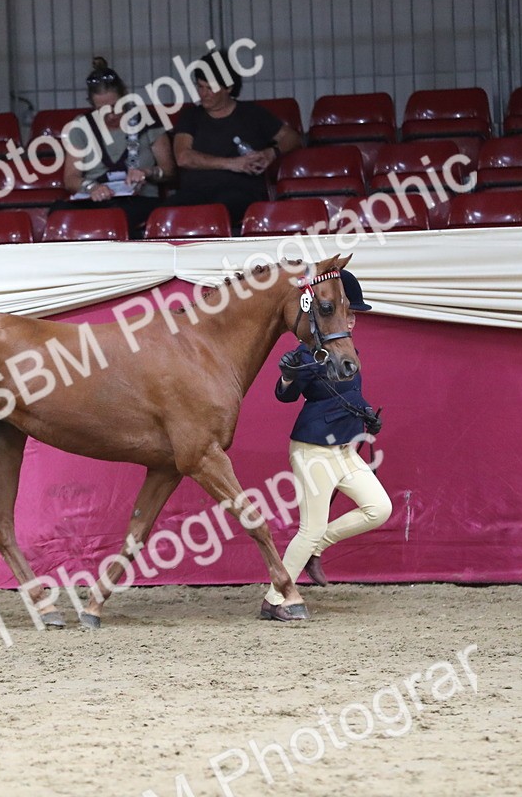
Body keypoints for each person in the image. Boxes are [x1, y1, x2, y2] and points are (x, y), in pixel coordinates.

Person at [260, 269, 392, 622]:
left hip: (345, 450)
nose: (350, 320)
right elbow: (285, 394)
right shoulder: (308, 355)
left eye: (352, 315)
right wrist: (288, 375)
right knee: (310, 526)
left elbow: (349, 394)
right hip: (313, 450)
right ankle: (275, 598)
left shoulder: (346, 352)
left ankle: (316, 550)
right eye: (347, 314)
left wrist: (366, 415)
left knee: (379, 508)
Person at [167, 51, 301, 226]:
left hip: (240, 194)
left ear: (228, 88)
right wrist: (234, 164)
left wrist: (271, 153)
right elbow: (183, 157)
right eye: (200, 87)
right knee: (165, 214)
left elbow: (292, 137)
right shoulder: (191, 116)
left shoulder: (252, 114)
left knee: (216, 212)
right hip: (195, 193)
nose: (203, 94)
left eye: (211, 88)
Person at [57, 57, 176, 237]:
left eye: (115, 106)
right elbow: (71, 178)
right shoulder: (81, 126)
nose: (110, 115)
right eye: (101, 109)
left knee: (115, 220)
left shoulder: (148, 121)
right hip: (95, 201)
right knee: (60, 216)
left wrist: (147, 172)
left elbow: (169, 171)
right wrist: (92, 188)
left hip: (138, 201)